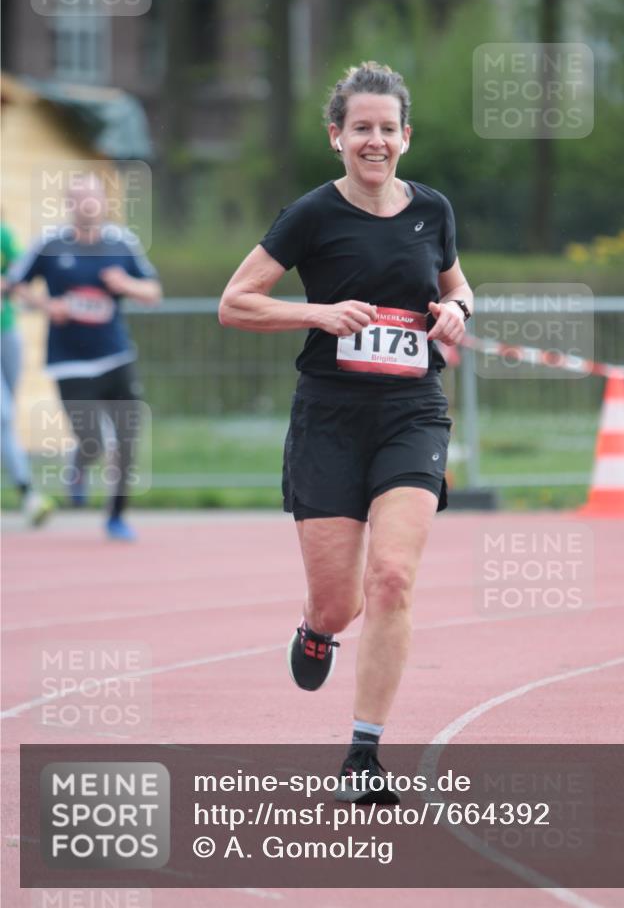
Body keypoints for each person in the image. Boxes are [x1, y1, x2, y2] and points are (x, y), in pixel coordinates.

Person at [219, 61, 473, 804]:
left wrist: (459, 311)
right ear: (336, 137)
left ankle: (363, 754)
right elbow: (234, 303)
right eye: (360, 128)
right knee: (340, 603)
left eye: (386, 129)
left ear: (405, 137)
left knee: (391, 577)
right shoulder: (310, 216)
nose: (374, 140)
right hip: (328, 417)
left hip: (411, 413)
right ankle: (314, 629)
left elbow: (455, 284)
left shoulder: (433, 210)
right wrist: (318, 314)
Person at [7, 174, 161, 541]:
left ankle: (117, 516)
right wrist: (48, 304)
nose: (86, 204)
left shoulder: (122, 242)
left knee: (126, 438)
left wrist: (126, 285)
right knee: (91, 438)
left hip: (115, 355)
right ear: (68, 204)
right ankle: (79, 461)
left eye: (92, 197)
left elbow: (152, 291)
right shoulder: (50, 243)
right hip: (69, 361)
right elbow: (15, 284)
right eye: (78, 198)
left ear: (103, 202)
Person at [1, 219, 55, 526]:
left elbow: (19, 276)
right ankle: (28, 494)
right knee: (3, 415)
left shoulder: (3, 235)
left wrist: (8, 286)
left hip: (7, 333)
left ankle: (26, 494)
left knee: (6, 415)